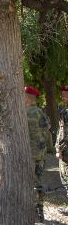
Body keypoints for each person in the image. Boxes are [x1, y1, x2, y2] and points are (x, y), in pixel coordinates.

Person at [24, 85, 50, 222]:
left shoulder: (26, 114)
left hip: (31, 155)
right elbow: (47, 129)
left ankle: (32, 211)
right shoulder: (41, 112)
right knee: (38, 182)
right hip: (41, 154)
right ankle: (40, 212)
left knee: (30, 183)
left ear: (27, 98)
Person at [56, 85, 68, 216]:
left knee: (66, 176)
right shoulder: (64, 109)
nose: (62, 96)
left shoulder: (66, 112)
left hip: (66, 151)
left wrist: (59, 149)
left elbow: (65, 134)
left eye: (65, 94)